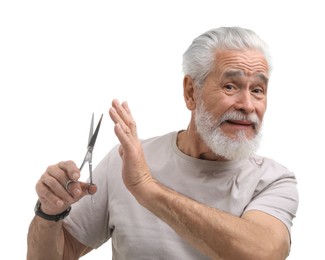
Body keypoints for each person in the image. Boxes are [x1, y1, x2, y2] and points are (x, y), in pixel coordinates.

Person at [27, 26, 299, 260]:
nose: (247, 105)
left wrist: (146, 189)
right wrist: (50, 214)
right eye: (230, 86)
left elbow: (263, 253)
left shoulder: (273, 180)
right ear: (191, 93)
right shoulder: (125, 159)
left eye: (258, 90)